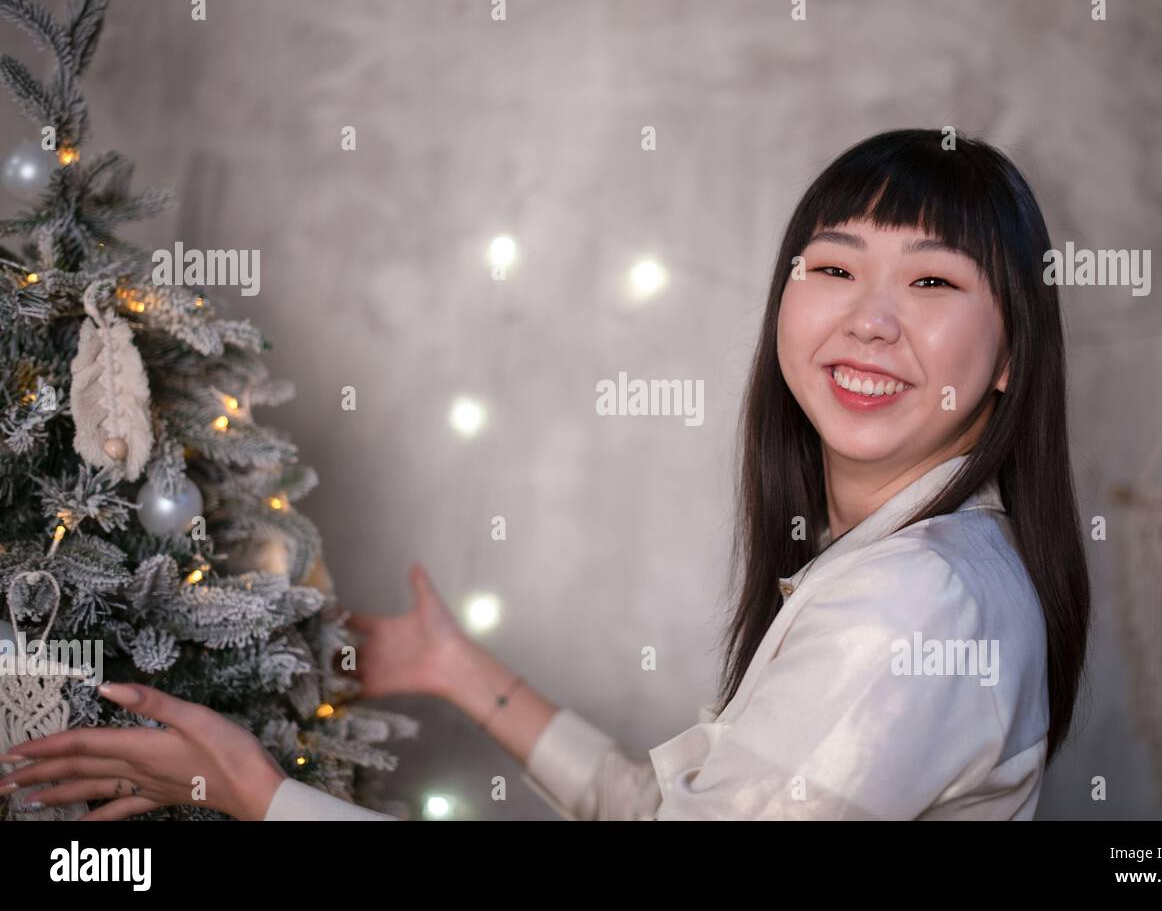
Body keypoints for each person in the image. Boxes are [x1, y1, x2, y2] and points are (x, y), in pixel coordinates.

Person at [0, 128, 1090, 820]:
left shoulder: (915, 599)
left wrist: (263, 797)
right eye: (836, 265)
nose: (869, 318)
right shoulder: (907, 567)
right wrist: (457, 667)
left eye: (935, 281)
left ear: (1010, 358)